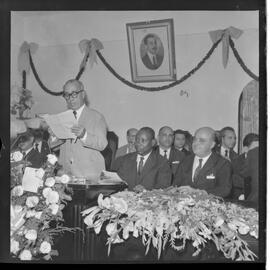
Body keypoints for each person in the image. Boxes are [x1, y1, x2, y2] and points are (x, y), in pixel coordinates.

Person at [48, 79, 108, 179]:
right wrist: (54, 136)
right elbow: (53, 147)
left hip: (89, 176)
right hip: (65, 175)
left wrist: (84, 135)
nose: (70, 98)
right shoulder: (62, 118)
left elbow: (102, 144)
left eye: (74, 94)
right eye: (66, 95)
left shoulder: (96, 117)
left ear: (83, 94)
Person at [173, 127, 232, 198]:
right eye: (195, 139)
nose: (196, 143)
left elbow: (224, 190)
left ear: (212, 145)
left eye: (201, 140)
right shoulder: (185, 161)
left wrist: (199, 192)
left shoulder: (222, 164)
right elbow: (176, 185)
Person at [112, 127, 172, 191]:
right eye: (137, 140)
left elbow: (163, 188)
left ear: (153, 142)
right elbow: (117, 182)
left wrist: (146, 190)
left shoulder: (162, 162)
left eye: (143, 140)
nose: (138, 143)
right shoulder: (125, 159)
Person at [231, 133, 259, 200]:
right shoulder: (235, 163)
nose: (258, 151)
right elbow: (232, 185)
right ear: (245, 149)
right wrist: (240, 196)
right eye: (255, 148)